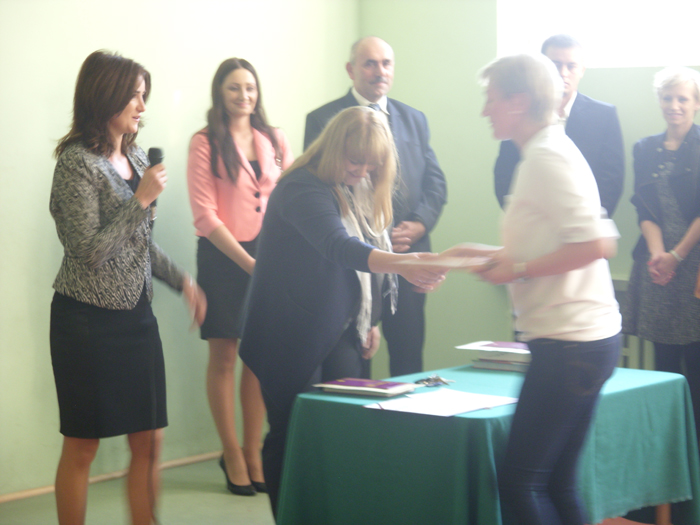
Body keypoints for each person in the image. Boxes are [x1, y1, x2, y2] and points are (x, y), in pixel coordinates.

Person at [239, 106, 446, 517]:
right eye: (356, 161)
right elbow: (341, 248)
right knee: (294, 434)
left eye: (372, 165)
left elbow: (366, 261)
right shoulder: (301, 186)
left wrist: (369, 321)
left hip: (340, 326)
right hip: (287, 332)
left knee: (342, 430)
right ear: (335, 148)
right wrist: (406, 265)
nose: (363, 171)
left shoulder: (358, 188)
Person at [445, 53, 621, 525]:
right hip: (579, 341)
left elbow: (597, 245)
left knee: (520, 483)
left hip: (571, 344)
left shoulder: (547, 157)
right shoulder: (543, 152)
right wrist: (479, 254)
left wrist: (518, 268)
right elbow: (553, 243)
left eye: (491, 99)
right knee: (556, 483)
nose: (485, 110)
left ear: (518, 102)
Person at [49, 50, 206, 525]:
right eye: (134, 95)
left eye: (144, 95)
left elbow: (138, 245)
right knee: (83, 445)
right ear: (105, 96)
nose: (142, 105)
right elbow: (90, 252)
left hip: (137, 318)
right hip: (86, 322)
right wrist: (140, 200)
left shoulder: (137, 158)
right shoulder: (76, 164)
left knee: (150, 439)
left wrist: (182, 280)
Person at [304, 36, 447, 377]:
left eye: (386, 63)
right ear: (351, 69)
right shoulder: (324, 119)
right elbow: (322, 190)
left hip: (407, 254)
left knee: (408, 355)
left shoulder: (414, 119)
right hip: (352, 258)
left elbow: (435, 183)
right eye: (369, 63)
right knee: (355, 357)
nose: (379, 71)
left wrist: (419, 224)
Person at [186, 58, 293, 496]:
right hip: (222, 256)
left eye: (250, 87)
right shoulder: (204, 141)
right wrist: (249, 263)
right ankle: (230, 452)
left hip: (271, 253)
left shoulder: (275, 138)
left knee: (257, 358)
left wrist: (277, 258)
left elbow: (288, 199)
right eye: (234, 88)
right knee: (225, 357)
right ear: (220, 92)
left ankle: (254, 451)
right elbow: (204, 214)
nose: (243, 95)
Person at [622, 66, 700, 440]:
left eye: (683, 98)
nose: (674, 105)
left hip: (694, 263)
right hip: (657, 267)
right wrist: (658, 256)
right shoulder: (644, 148)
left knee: (696, 365)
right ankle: (667, 448)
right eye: (667, 98)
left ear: (696, 103)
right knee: (664, 367)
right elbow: (644, 207)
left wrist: (677, 255)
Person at [494, 34, 625, 218]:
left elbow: (611, 182)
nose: (563, 73)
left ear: (582, 70)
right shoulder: (522, 113)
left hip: (585, 227)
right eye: (555, 65)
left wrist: (584, 224)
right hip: (530, 226)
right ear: (541, 70)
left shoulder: (604, 116)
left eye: (571, 66)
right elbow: (504, 177)